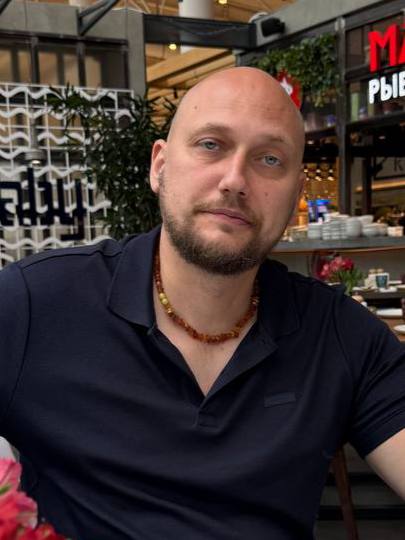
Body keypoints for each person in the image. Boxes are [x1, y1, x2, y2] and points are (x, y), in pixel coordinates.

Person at [0, 67, 404, 540]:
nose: (235, 180)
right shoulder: (36, 304)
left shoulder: (340, 334)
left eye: (269, 159)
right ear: (159, 166)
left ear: (295, 194)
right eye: (211, 144)